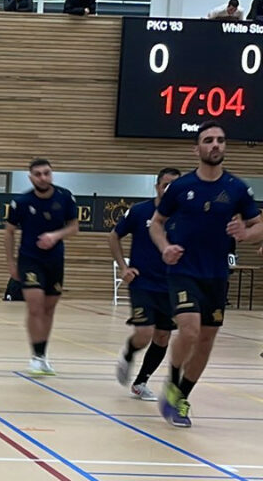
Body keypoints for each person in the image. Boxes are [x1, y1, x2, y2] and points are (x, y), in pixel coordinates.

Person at [151, 121, 263, 427]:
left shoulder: (237, 188)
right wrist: (165, 247)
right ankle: (172, 380)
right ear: (196, 148)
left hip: (216, 275)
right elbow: (157, 224)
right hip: (183, 270)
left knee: (205, 340)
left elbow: (259, 225)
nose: (215, 145)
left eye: (220, 140)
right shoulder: (181, 187)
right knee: (189, 330)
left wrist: (246, 233)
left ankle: (180, 397)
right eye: (209, 140)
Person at [109, 168, 181, 401]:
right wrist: (123, 267)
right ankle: (129, 353)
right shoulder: (140, 211)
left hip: (171, 285)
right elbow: (114, 236)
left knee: (162, 337)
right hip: (143, 283)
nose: (169, 189)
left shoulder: (184, 215)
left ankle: (141, 382)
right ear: (157, 186)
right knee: (144, 333)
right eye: (165, 185)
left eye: (174, 185)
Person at [4, 158, 79, 375]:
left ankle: (42, 355)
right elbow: (9, 232)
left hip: (55, 261)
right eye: (38, 174)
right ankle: (36, 357)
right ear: (31, 178)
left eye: (46, 173)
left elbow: (74, 227)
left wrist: (55, 236)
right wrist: (11, 263)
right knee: (35, 306)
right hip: (29, 259)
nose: (43, 178)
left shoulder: (65, 197)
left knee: (48, 309)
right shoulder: (21, 202)